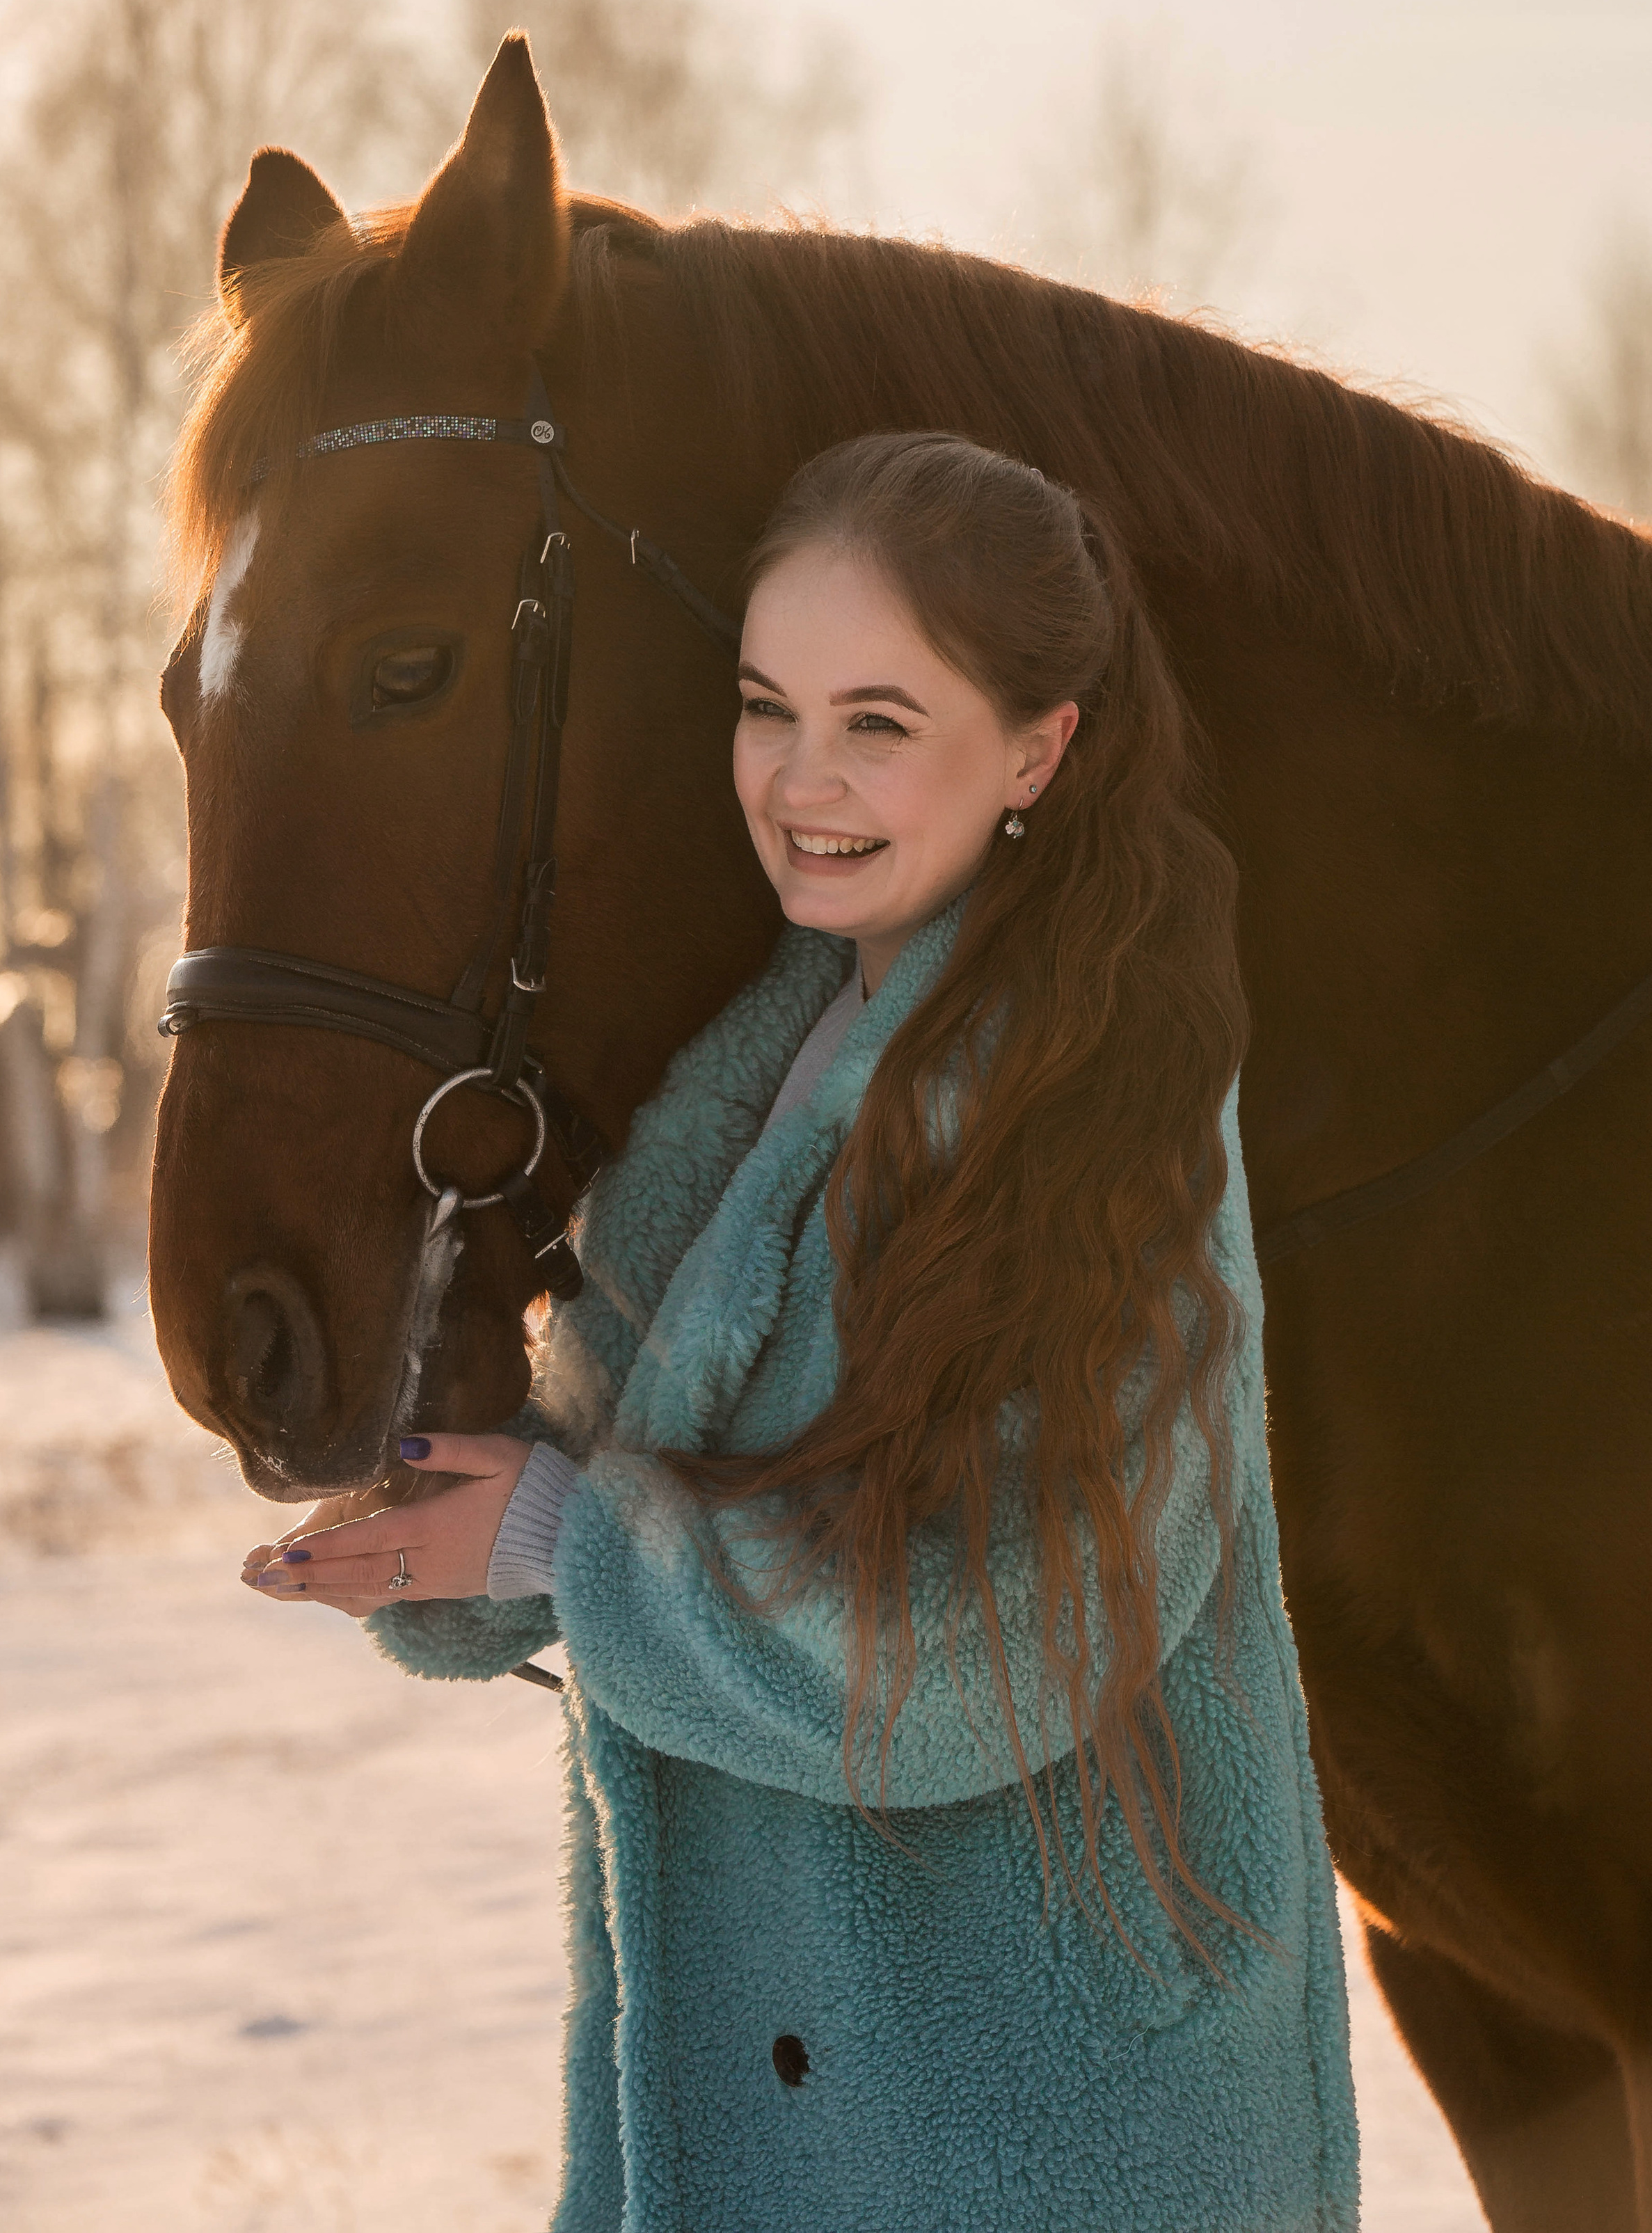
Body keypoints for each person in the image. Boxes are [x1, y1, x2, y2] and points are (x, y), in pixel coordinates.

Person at [244, 432, 1360, 2232]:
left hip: (1041, 2138)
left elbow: (1005, 1630)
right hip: (785, 2126)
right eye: (770, 707)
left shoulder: (1091, 1104)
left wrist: (569, 1548)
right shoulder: (763, 1058)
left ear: (1040, 748)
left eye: (880, 722)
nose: (799, 778)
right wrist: (468, 1532)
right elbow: (677, 1489)